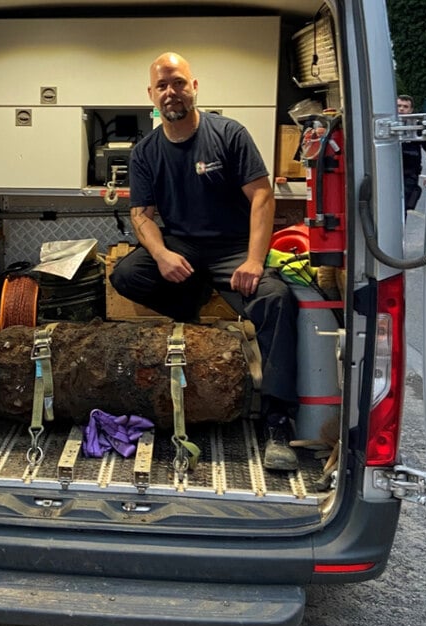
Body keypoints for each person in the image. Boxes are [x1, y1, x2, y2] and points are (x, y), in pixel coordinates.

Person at [109, 52, 299, 472]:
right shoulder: (145, 152)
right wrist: (160, 254)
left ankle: (278, 420)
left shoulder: (229, 134)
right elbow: (141, 215)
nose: (171, 92)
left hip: (232, 248)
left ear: (194, 87)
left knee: (275, 299)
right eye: (162, 85)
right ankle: (192, 306)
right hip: (184, 248)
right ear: (151, 95)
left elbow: (262, 197)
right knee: (125, 274)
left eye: (178, 82)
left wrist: (253, 260)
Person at [396, 94, 426, 212]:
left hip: (409, 176)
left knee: (403, 208)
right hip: (388, 174)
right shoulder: (386, 126)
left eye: (405, 107)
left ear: (411, 110)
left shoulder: (417, 126)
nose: (401, 109)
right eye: (398, 106)